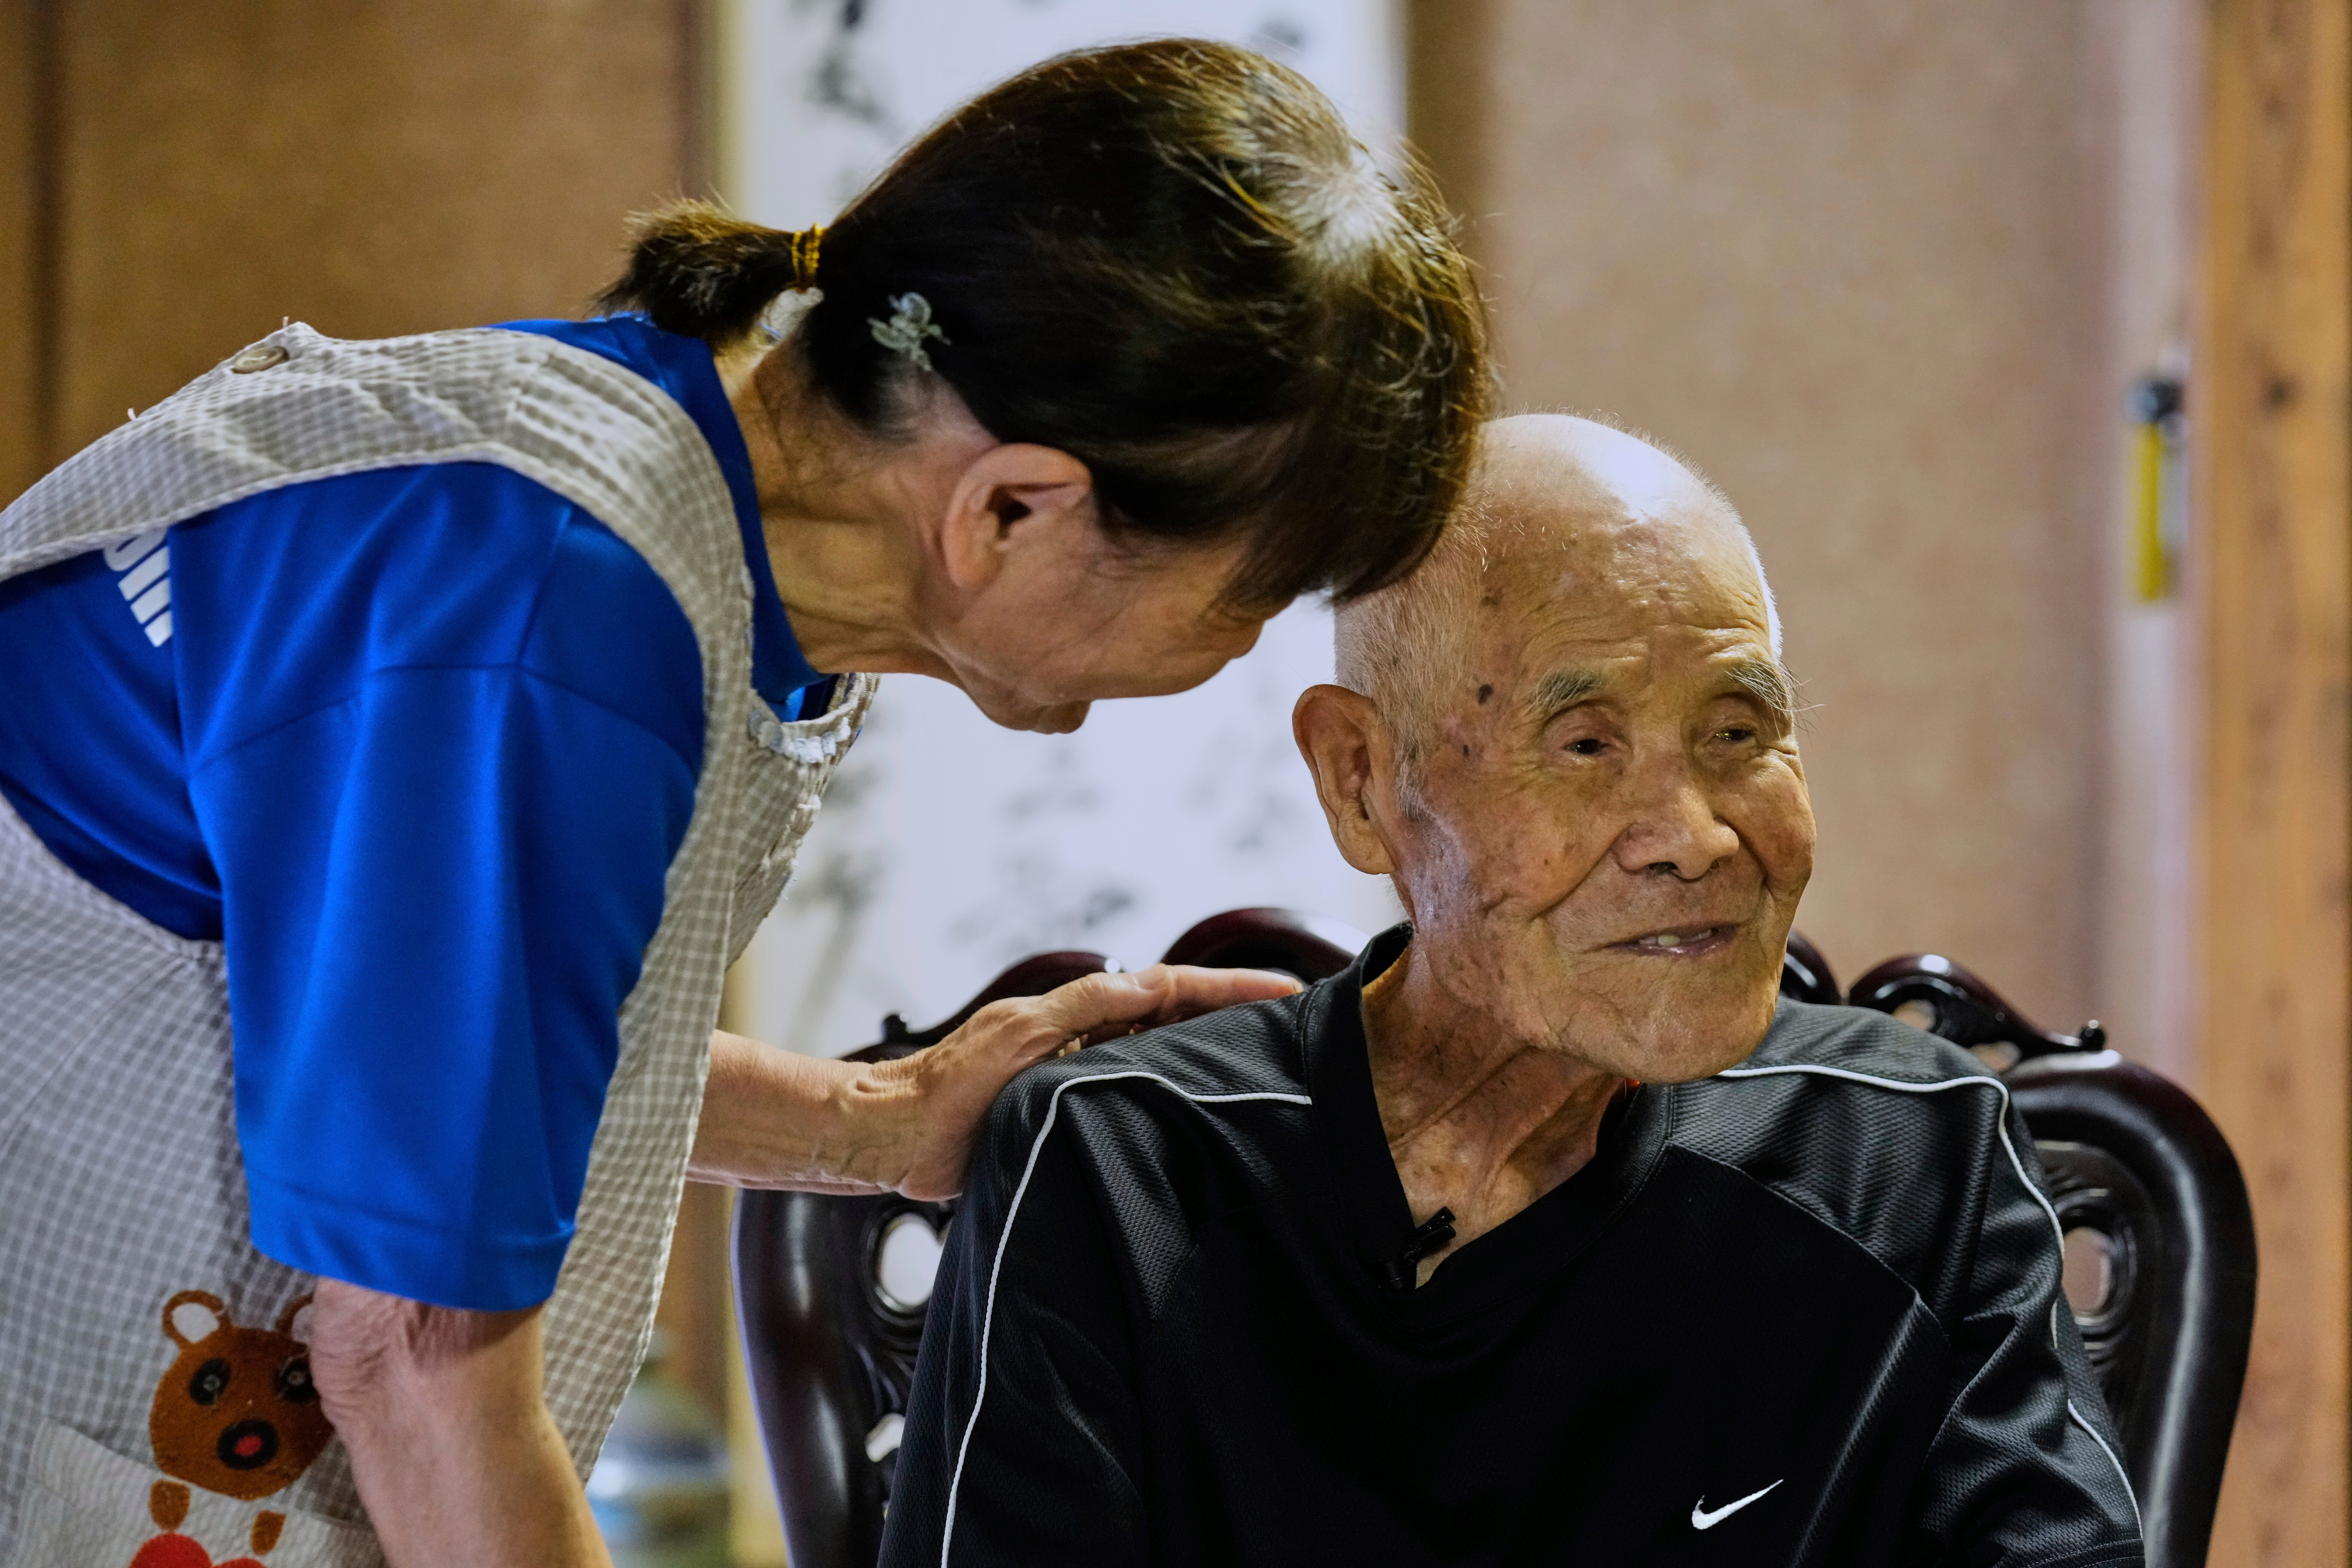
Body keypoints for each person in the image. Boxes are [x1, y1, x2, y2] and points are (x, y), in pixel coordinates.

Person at [0, 39, 1486, 1568]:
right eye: (1254, 598)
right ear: (1013, 510)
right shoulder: (552, 613)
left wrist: (884, 1125)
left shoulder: (690, 534)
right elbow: (416, 1361)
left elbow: (433, 1057)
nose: (1236, 653)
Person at [879, 415, 2145, 1567]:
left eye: (1740, 735)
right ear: (1362, 781)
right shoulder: (1125, 1171)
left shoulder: (1912, 1155)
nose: (1694, 837)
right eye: (1586, 745)